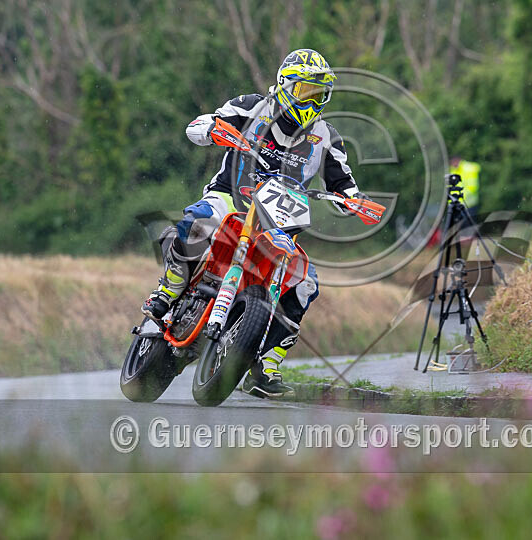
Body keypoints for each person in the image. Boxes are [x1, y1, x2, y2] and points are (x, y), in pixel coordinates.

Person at [142, 49, 369, 398]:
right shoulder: (252, 107)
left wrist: (354, 202)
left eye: (318, 94)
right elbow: (199, 126)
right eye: (305, 90)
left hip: (279, 223)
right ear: (285, 85)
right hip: (232, 197)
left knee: (305, 282)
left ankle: (266, 366)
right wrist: (215, 130)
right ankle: (168, 290)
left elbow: (344, 184)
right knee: (197, 222)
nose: (311, 99)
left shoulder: (326, 137)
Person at [449, 156, 481, 222]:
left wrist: (460, 198)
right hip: (457, 206)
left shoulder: (468, 169)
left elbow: (472, 187)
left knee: (468, 226)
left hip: (468, 204)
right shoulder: (453, 170)